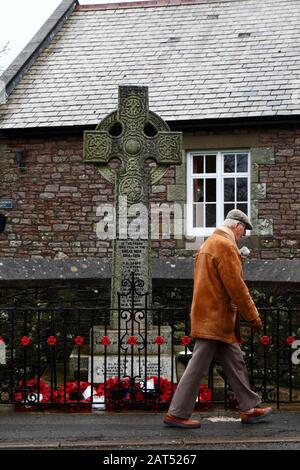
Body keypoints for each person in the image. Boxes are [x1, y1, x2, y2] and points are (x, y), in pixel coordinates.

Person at [164, 209, 273, 428]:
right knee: (196, 368)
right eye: (243, 231)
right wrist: (253, 316)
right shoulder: (225, 245)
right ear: (237, 226)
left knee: (236, 363)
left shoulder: (210, 243)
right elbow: (236, 287)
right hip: (215, 318)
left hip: (213, 318)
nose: (242, 236)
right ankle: (176, 413)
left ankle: (249, 408)